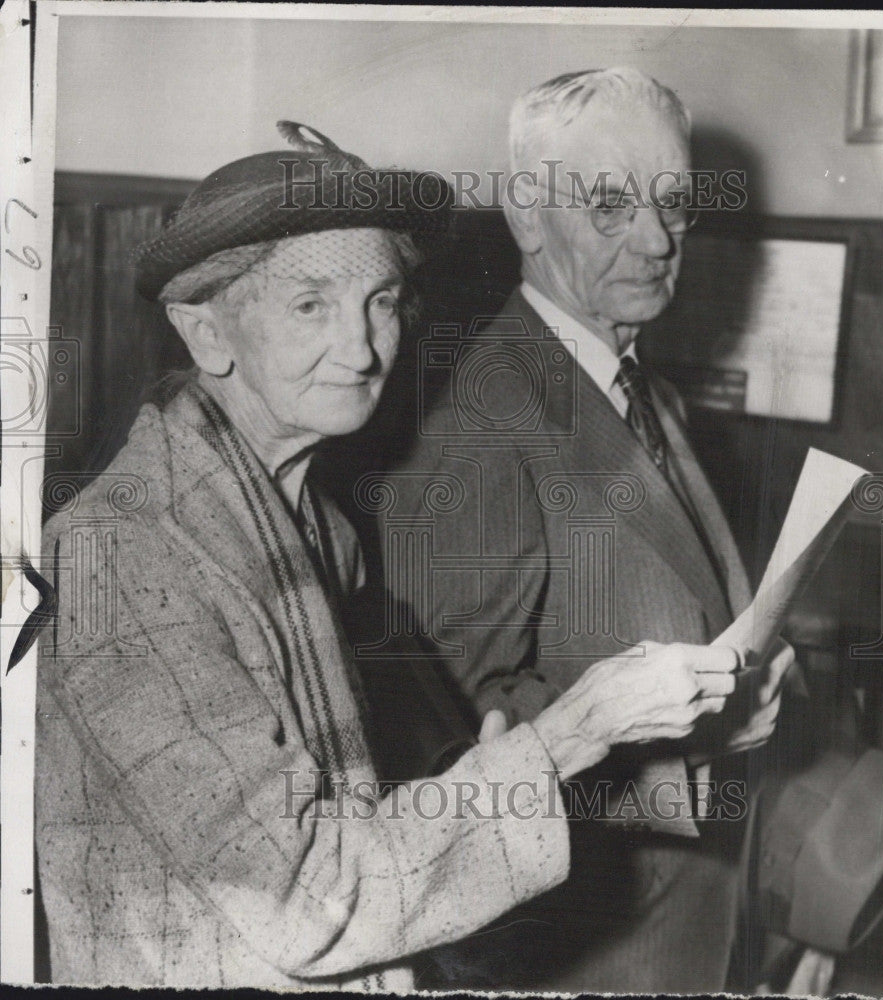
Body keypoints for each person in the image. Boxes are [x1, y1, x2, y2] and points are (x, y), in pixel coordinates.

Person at [34, 122, 742, 989]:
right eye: (309, 307)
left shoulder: (308, 520)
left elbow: (395, 783)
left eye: (380, 300)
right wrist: (569, 735)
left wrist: (588, 763)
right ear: (204, 332)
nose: (364, 347)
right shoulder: (122, 562)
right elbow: (299, 896)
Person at [385, 68, 795, 993]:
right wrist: (683, 756)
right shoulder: (479, 414)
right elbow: (448, 741)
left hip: (683, 928)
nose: (655, 240)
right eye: (609, 204)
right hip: (581, 948)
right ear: (527, 215)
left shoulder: (643, 387)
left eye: (675, 204)